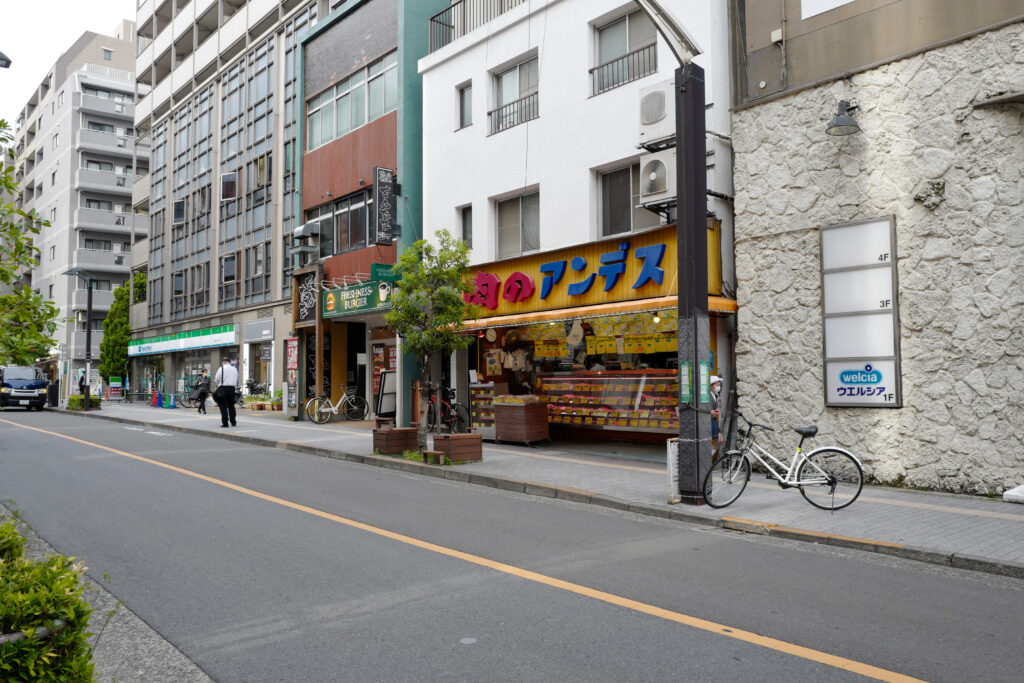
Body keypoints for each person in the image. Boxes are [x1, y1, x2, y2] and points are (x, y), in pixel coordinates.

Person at [214, 358, 239, 428]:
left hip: (223, 388)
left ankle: (225, 423)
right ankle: (233, 422)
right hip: (232, 388)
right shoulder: (234, 369)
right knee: (231, 405)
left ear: (223, 362)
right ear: (229, 362)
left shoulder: (221, 369)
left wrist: (220, 383)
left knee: (223, 406)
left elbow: (216, 379)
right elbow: (236, 378)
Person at [709, 375, 723, 455]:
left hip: (714, 421)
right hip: (709, 421)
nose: (719, 387)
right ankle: (707, 456)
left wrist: (717, 410)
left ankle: (709, 454)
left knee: (720, 440)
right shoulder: (707, 395)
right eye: (717, 385)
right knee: (719, 439)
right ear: (711, 385)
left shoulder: (716, 395)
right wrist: (711, 412)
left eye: (719, 385)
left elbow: (716, 406)